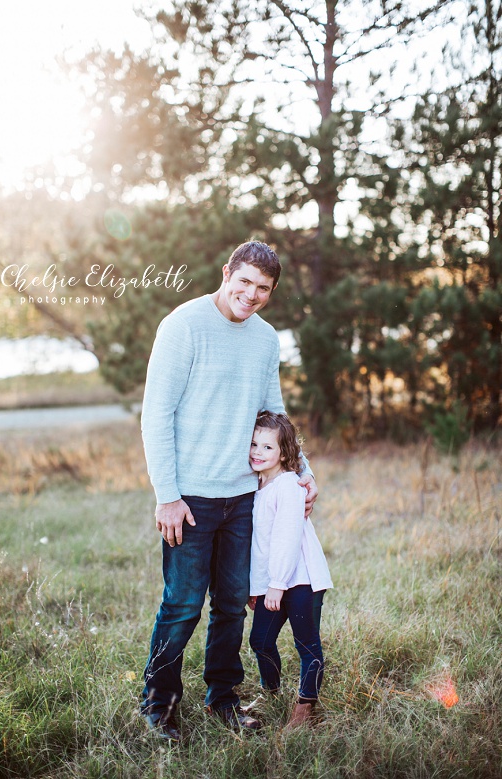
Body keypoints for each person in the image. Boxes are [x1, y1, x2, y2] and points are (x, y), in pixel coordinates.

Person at [140, 240, 318, 741]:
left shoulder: (264, 339)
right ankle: (159, 704)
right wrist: (167, 496)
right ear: (227, 273)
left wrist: (302, 471)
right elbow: (156, 416)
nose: (252, 294)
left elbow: (274, 413)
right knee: (182, 604)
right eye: (244, 282)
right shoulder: (183, 326)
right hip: (190, 499)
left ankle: (222, 696)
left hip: (244, 498)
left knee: (233, 602)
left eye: (263, 289)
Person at [247, 411, 332, 728]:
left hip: (301, 580)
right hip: (274, 583)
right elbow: (260, 545)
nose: (258, 452)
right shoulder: (257, 487)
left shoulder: (289, 486)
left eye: (268, 447)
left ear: (284, 452)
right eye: (254, 444)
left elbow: (285, 538)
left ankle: (304, 708)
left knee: (307, 644)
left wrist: (277, 584)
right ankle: (270, 693)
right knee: (261, 641)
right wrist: (258, 587)